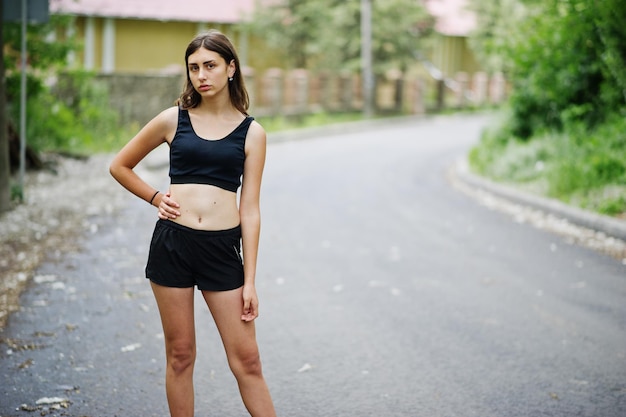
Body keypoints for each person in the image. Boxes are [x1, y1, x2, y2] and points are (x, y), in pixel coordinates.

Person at [109, 30, 276, 417]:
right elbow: (120, 165)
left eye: (211, 65)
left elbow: (249, 209)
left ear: (231, 68)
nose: (202, 75)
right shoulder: (173, 119)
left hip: (221, 251)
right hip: (174, 245)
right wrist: (155, 197)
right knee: (181, 356)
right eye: (194, 67)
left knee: (247, 361)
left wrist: (250, 280)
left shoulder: (253, 133)